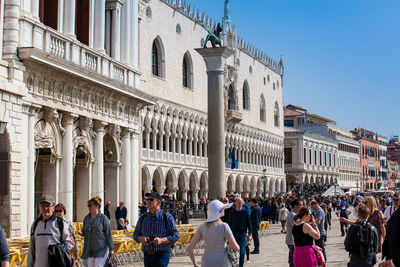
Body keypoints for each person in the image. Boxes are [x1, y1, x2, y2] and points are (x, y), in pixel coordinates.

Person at [187, 200, 240, 267]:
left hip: (206, 260)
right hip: (222, 260)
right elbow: (235, 247)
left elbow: (189, 248)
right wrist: (238, 247)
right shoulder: (224, 226)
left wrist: (195, 264)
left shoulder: (202, 226)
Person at [133, 192, 179, 267]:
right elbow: (135, 235)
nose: (148, 202)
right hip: (147, 255)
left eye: (151, 200)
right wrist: (142, 239)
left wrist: (161, 240)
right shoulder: (143, 217)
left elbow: (176, 235)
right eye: (147, 199)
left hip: (162, 254)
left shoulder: (167, 217)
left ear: (158, 202)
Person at [27, 195, 74, 267]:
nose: (45, 208)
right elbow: (31, 248)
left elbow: (71, 242)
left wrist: (56, 249)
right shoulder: (35, 224)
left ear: (53, 207)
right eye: (43, 206)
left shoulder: (61, 224)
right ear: (39, 208)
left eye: (48, 206)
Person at [80, 196, 114, 267]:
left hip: (101, 248)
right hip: (90, 249)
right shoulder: (86, 218)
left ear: (97, 206)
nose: (89, 207)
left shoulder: (103, 218)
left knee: (98, 265)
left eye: (90, 205)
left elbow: (108, 234)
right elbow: (84, 231)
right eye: (88, 206)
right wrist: (82, 233)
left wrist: (111, 248)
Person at [228, 197, 252, 267]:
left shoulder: (245, 212)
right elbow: (229, 223)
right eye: (237, 202)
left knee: (242, 250)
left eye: (240, 202)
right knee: (234, 250)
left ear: (242, 203)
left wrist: (250, 234)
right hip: (234, 233)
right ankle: (234, 264)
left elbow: (249, 224)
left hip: (243, 233)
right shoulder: (232, 212)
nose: (239, 204)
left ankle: (241, 265)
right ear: (235, 203)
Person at [286, 199, 303, 267]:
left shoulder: (296, 214)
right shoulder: (292, 215)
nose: (302, 206)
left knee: (293, 257)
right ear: (295, 206)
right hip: (292, 240)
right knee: (294, 259)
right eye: (301, 205)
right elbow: (296, 227)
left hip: (295, 240)